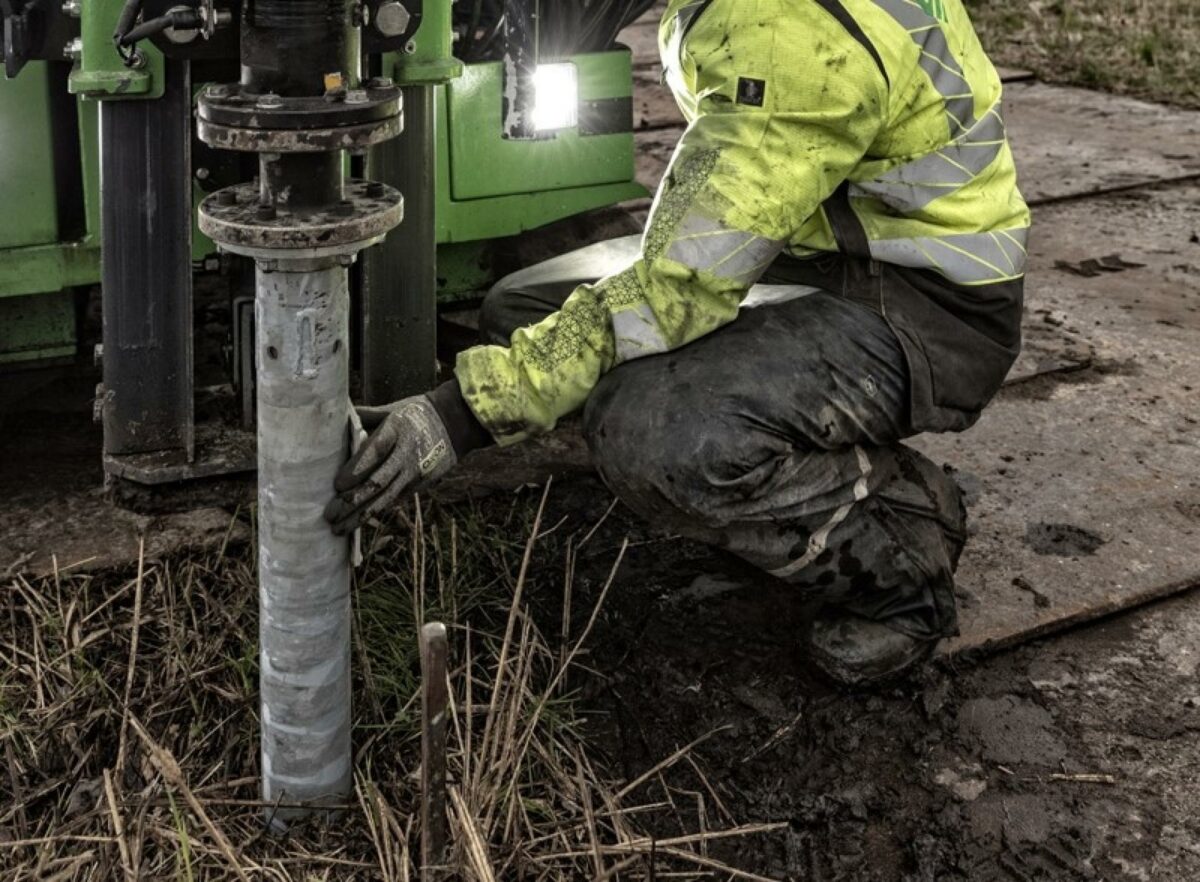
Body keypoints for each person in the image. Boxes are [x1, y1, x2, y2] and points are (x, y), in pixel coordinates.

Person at [325, 0, 1030, 686]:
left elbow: (677, 286)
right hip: (818, 241)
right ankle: (749, 488)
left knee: (652, 433)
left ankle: (902, 551)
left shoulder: (794, 34)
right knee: (524, 310)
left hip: (924, 301)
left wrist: (457, 416)